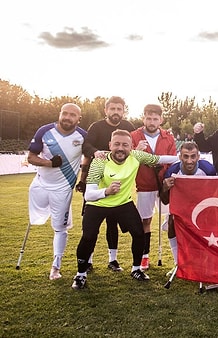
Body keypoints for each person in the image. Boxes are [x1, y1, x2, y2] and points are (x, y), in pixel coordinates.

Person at [72, 129, 178, 290]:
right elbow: (89, 195)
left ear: (131, 147)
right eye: (117, 144)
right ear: (110, 145)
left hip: (122, 204)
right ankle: (80, 274)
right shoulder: (99, 161)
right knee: (88, 236)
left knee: (138, 232)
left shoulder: (136, 156)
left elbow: (160, 158)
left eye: (125, 145)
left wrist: (184, 157)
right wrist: (106, 191)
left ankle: (136, 269)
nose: (120, 148)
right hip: (98, 204)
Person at [27, 103, 86, 280]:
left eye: (72, 115)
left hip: (63, 190)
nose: (68, 117)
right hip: (40, 185)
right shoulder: (44, 131)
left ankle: (56, 267)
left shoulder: (83, 136)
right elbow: (30, 157)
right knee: (36, 219)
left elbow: (88, 157)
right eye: (65, 113)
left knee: (60, 228)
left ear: (78, 119)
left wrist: (82, 180)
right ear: (60, 114)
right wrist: (49, 163)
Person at [81, 96, 136, 272]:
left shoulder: (128, 127)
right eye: (112, 109)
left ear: (123, 111)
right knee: (92, 226)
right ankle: (87, 262)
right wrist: (96, 152)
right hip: (96, 181)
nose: (116, 112)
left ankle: (113, 260)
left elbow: (133, 148)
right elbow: (86, 145)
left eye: (119, 109)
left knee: (113, 223)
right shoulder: (96, 127)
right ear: (106, 110)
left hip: (118, 182)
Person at [131, 104, 177, 270]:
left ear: (161, 120)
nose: (151, 122)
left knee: (173, 218)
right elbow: (128, 159)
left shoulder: (168, 137)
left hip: (165, 183)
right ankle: (144, 256)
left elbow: (173, 160)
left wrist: (153, 159)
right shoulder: (134, 136)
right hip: (144, 184)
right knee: (145, 220)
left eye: (155, 119)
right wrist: (137, 151)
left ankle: (177, 259)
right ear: (143, 118)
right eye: (148, 118)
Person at [160, 142, 216, 273]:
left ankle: (206, 262)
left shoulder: (208, 169)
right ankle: (178, 263)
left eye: (193, 156)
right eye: (186, 156)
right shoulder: (172, 171)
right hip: (181, 208)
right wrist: (165, 187)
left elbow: (216, 193)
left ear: (198, 156)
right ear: (180, 157)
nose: (189, 161)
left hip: (202, 207)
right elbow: (164, 200)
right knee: (171, 222)